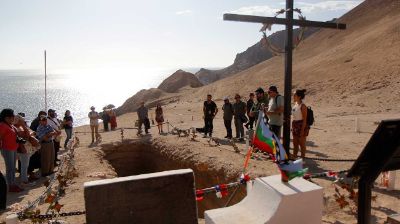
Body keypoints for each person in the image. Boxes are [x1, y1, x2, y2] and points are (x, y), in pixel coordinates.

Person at [0, 109, 24, 192]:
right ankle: (10, 186)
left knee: (12, 167)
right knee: (10, 168)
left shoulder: (10, 125)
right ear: (6, 118)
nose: (14, 117)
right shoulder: (2, 125)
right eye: (12, 116)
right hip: (7, 149)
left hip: (13, 148)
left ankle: (12, 183)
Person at [14, 115, 39, 184]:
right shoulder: (17, 128)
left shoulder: (18, 127)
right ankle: (24, 180)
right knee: (24, 165)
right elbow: (26, 136)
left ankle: (24, 179)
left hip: (24, 148)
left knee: (24, 165)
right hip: (23, 149)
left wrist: (23, 126)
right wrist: (24, 126)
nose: (23, 121)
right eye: (22, 120)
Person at [292, 89, 309, 159]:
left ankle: (302, 159)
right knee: (295, 143)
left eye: (294, 95)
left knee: (302, 144)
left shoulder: (303, 106)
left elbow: (305, 120)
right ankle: (294, 158)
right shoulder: (295, 105)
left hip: (301, 125)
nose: (293, 96)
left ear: (299, 97)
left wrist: (302, 130)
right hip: (295, 125)